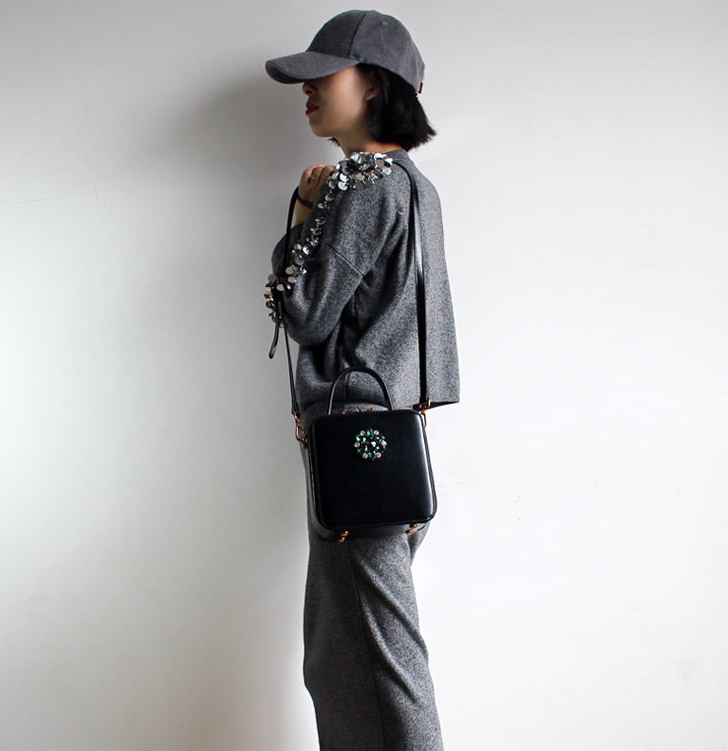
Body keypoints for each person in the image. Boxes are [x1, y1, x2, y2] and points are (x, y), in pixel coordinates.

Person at [263, 10, 460, 750]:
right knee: (343, 657)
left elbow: (305, 312)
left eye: (324, 75)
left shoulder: (364, 183)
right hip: (389, 442)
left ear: (374, 84)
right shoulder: (415, 186)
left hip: (356, 446)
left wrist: (302, 217)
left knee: (375, 658)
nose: (307, 90)